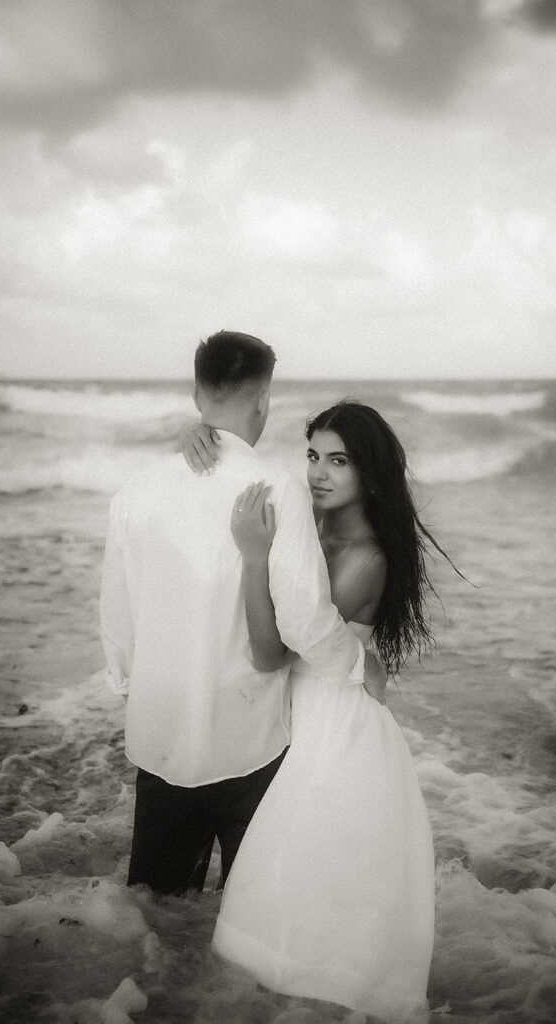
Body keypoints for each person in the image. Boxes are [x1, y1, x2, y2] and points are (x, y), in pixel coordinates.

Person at [181, 400, 437, 1022]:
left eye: (339, 461)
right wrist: (201, 436)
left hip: (338, 730)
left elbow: (271, 652)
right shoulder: (314, 531)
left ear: (369, 473)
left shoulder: (364, 557)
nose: (319, 473)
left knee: (321, 899)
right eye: (314, 456)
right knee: (291, 888)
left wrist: (252, 556)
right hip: (304, 716)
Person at [99, 331, 371, 896]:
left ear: (198, 394)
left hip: (163, 738)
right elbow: (303, 622)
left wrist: (138, 687)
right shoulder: (277, 490)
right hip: (251, 743)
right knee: (254, 914)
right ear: (263, 399)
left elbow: (118, 622)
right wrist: (357, 665)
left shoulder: (134, 493)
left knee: (157, 910)